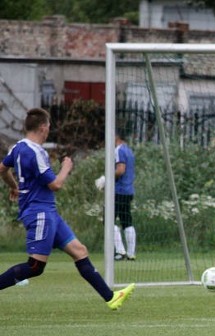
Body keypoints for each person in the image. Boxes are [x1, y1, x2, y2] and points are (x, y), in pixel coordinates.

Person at [0, 108, 135, 310]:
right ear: (44, 127)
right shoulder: (35, 152)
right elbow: (55, 185)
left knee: (80, 251)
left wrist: (14, 187)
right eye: (49, 127)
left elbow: (2, 169)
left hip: (49, 212)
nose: (48, 131)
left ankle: (111, 297)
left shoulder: (17, 148)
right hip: (39, 213)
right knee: (35, 266)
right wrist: (66, 168)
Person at [113, 130, 136, 261]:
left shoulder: (119, 150)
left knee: (108, 220)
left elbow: (120, 169)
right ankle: (131, 253)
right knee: (126, 220)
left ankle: (120, 251)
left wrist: (107, 178)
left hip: (119, 191)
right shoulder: (129, 150)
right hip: (128, 190)